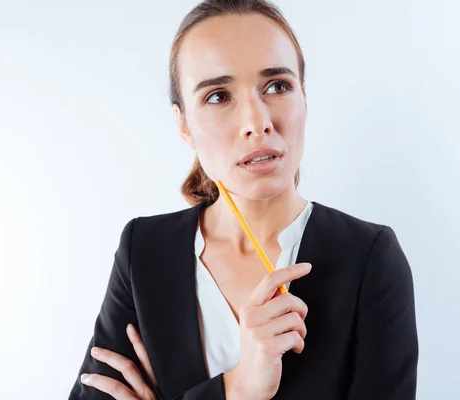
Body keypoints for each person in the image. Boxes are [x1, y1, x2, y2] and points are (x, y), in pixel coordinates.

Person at [69, 0, 419, 399]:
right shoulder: (144, 250)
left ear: (304, 98)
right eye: (218, 96)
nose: (257, 122)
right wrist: (237, 387)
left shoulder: (368, 257)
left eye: (277, 86)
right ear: (183, 124)